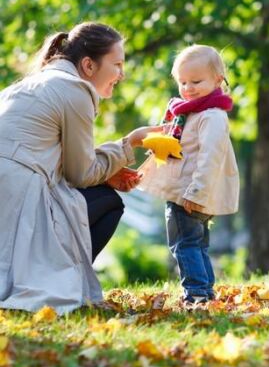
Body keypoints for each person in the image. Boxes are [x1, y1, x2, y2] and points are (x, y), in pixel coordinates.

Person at [0, 22, 160, 314]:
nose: (122, 74)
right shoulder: (74, 91)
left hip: (11, 196)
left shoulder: (29, 85)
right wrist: (130, 143)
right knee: (110, 203)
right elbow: (80, 174)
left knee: (99, 192)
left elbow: (65, 163)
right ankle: (64, 278)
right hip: (19, 199)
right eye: (117, 64)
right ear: (88, 65)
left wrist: (109, 169)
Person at [138, 44, 239, 308]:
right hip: (187, 190)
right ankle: (204, 290)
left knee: (185, 244)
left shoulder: (211, 116)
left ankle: (195, 293)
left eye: (196, 81)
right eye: (182, 82)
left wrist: (196, 192)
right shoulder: (190, 112)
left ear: (218, 80)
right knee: (196, 243)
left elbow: (211, 158)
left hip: (190, 192)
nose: (188, 88)